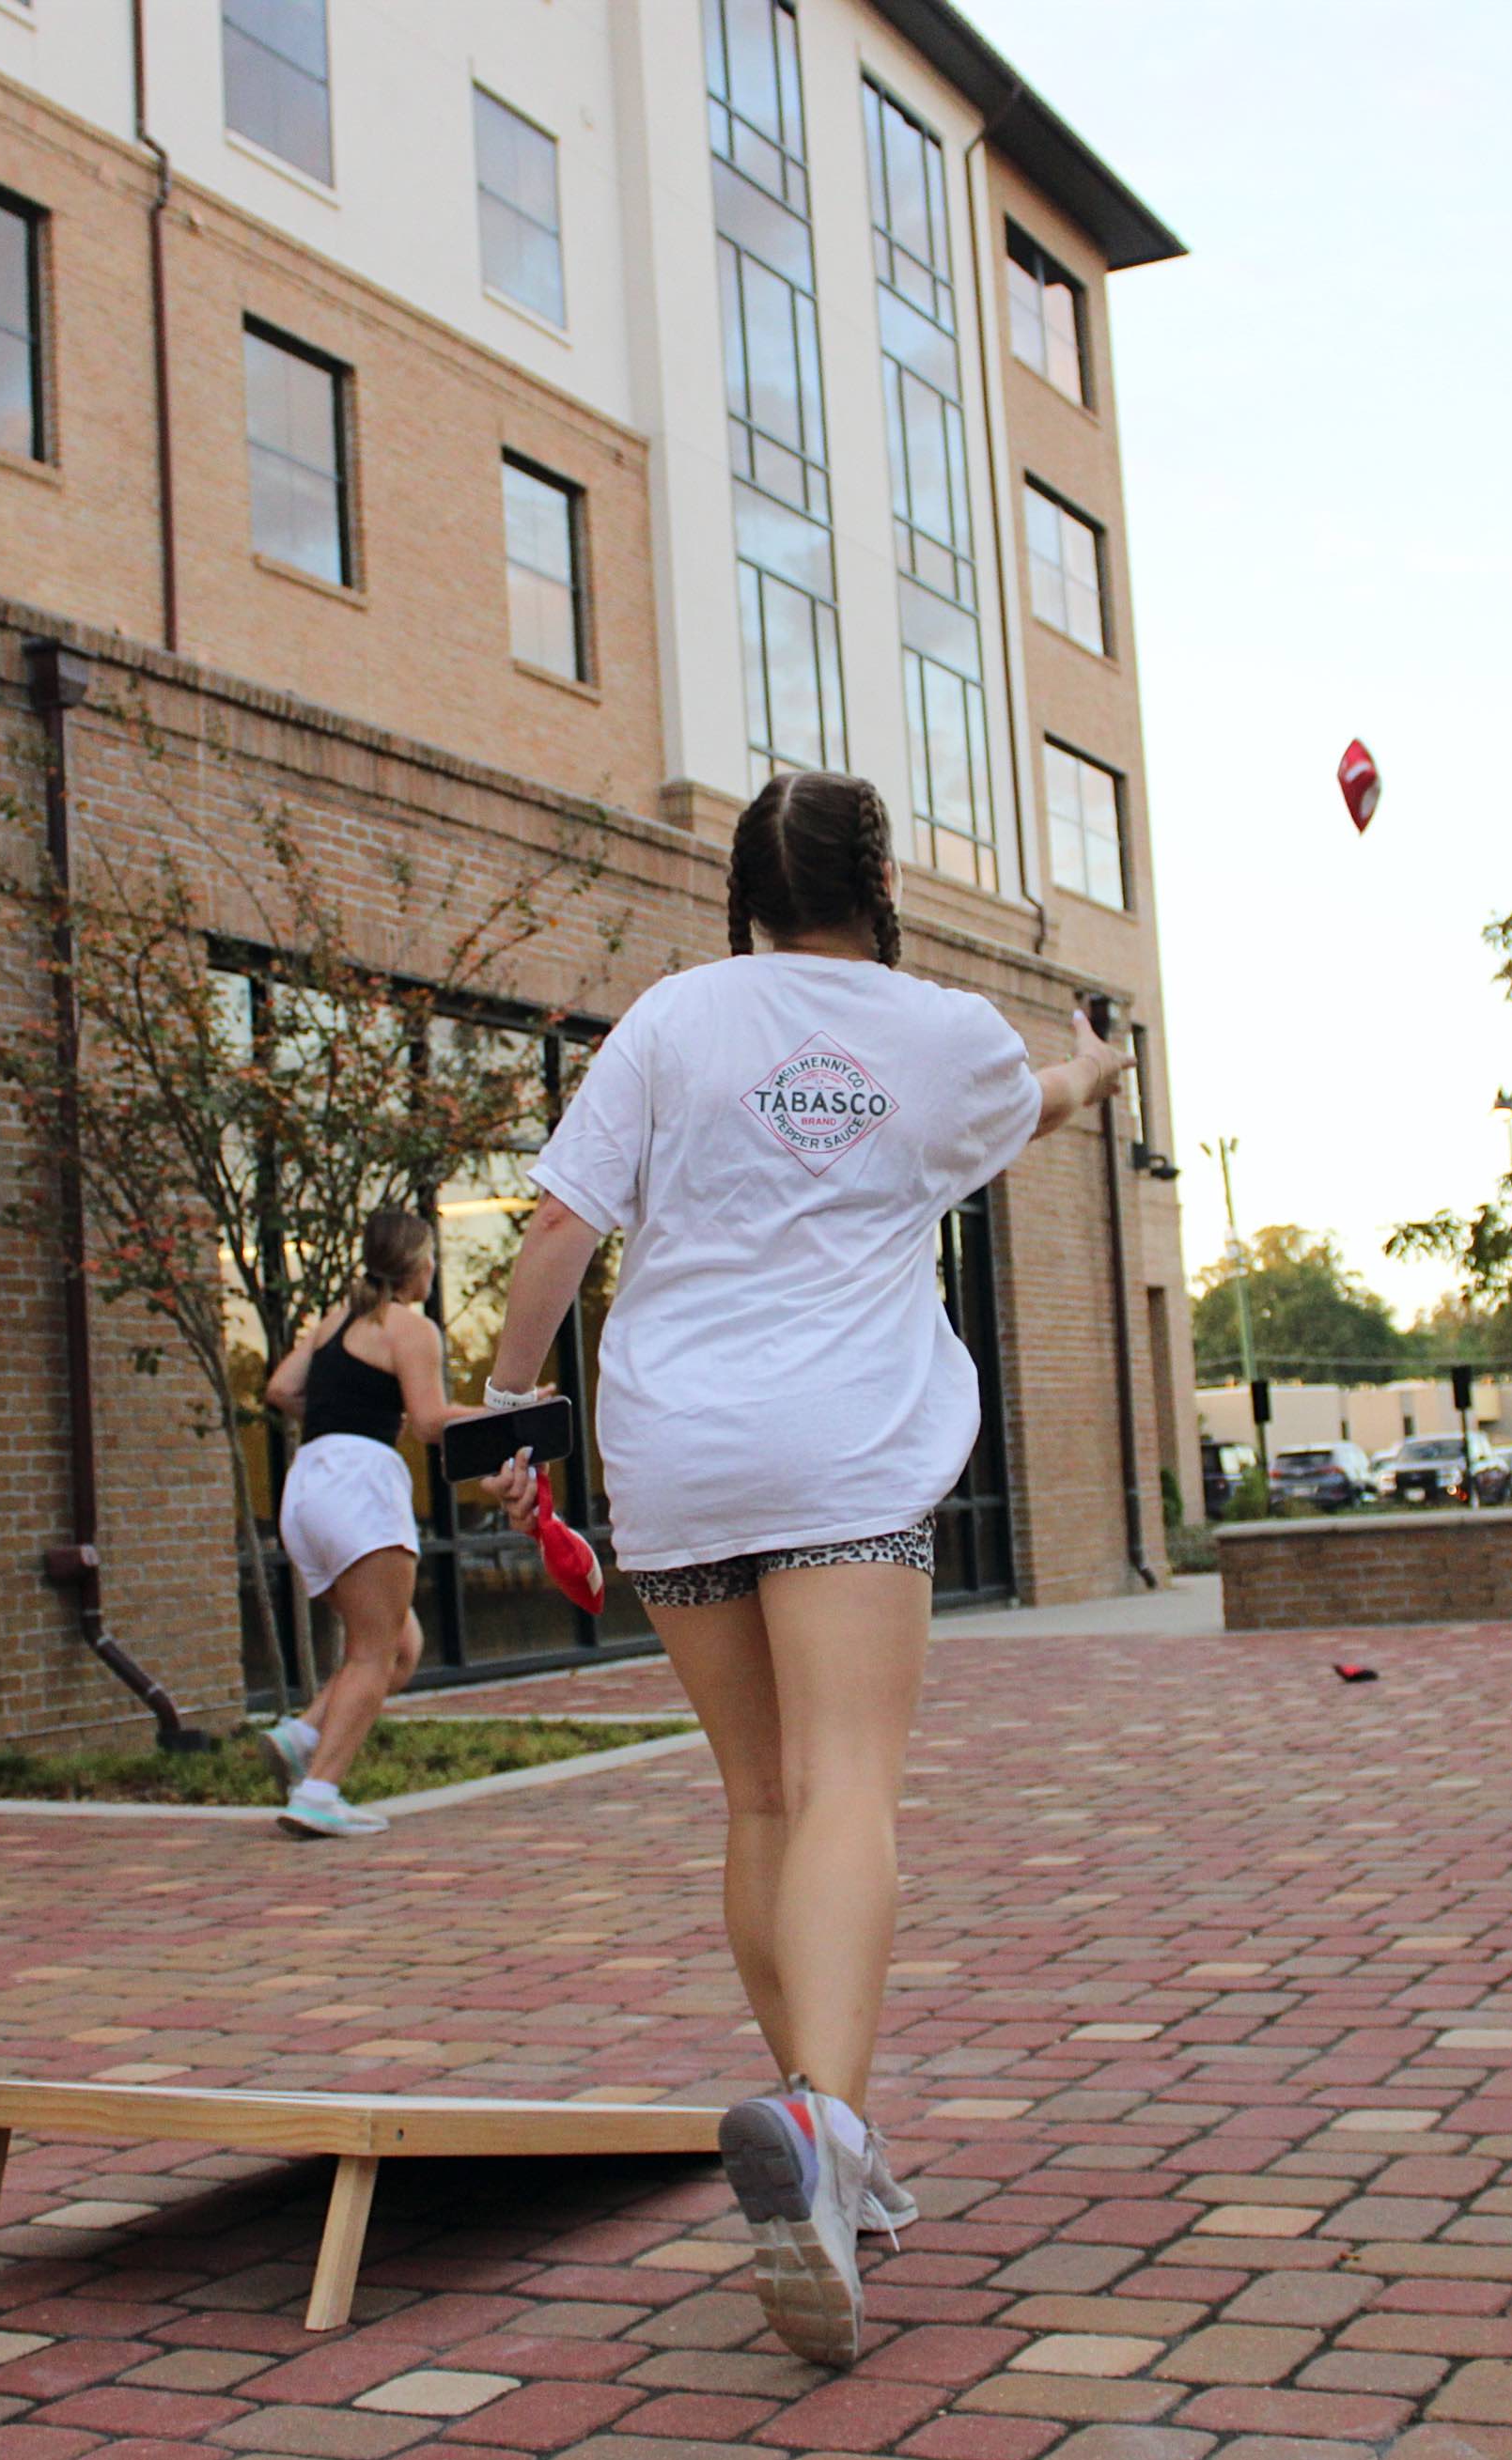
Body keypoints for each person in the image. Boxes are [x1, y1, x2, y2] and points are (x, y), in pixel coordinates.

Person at [477, 771, 1127, 2366]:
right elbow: (1029, 1100)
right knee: (846, 1788)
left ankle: (830, 2140)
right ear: (877, 879)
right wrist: (1100, 1066)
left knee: (759, 1799)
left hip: (680, 1447)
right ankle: (826, 2130)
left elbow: (559, 1228)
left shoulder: (674, 1019)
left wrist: (509, 1416)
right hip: (840, 1439)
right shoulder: (944, 1030)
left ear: (747, 886)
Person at [258, 1208, 472, 1839]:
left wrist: (348, 1414)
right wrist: (510, 1411)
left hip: (307, 1487)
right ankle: (319, 1792)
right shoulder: (410, 1327)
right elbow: (431, 1421)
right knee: (372, 1654)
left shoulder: (334, 1320)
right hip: (360, 1487)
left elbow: (280, 1389)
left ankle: (301, 1736)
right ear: (421, 1262)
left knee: (399, 1646)